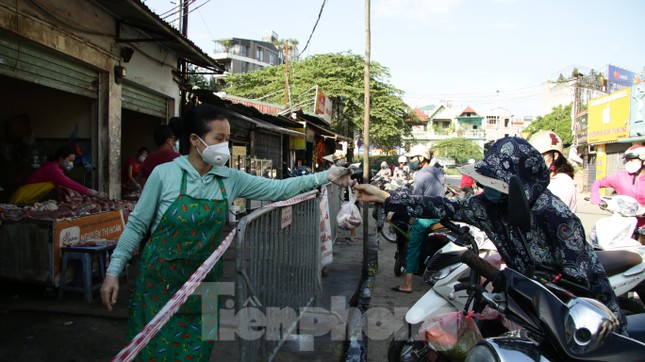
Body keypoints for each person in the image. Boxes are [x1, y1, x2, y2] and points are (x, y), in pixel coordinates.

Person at [100, 104, 353, 361]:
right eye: (218, 139)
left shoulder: (230, 179)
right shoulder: (164, 175)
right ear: (195, 140)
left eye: (227, 139)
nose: (225, 147)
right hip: (159, 283)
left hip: (207, 284)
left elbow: (279, 189)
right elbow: (136, 225)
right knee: (151, 353)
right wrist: (113, 271)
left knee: (197, 352)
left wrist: (325, 176)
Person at [353, 136, 625, 331]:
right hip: (530, 307)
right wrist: (386, 197)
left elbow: (579, 283)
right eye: (486, 181)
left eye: (496, 183)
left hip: (584, 317)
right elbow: (444, 206)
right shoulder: (488, 206)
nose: (488, 188)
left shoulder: (553, 215)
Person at [392, 144, 444, 293]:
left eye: (411, 158)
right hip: (440, 215)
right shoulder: (438, 173)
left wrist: (412, 216)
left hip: (425, 218)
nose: (409, 161)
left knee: (413, 248)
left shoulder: (420, 175)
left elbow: (416, 200)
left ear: (421, 158)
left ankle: (407, 284)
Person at [10, 146, 107, 204]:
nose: (71, 163)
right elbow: (69, 183)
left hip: (28, 199)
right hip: (21, 198)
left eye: (73, 161)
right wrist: (93, 193)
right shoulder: (53, 169)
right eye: (69, 160)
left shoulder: (55, 168)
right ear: (61, 158)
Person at [591, 144, 645, 228]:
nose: (628, 163)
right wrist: (595, 194)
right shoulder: (619, 177)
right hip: (623, 224)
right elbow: (598, 182)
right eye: (627, 160)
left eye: (631, 160)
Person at [529, 130, 577, 212]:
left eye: (540, 156)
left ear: (555, 156)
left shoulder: (562, 183)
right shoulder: (544, 179)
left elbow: (551, 214)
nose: (535, 161)